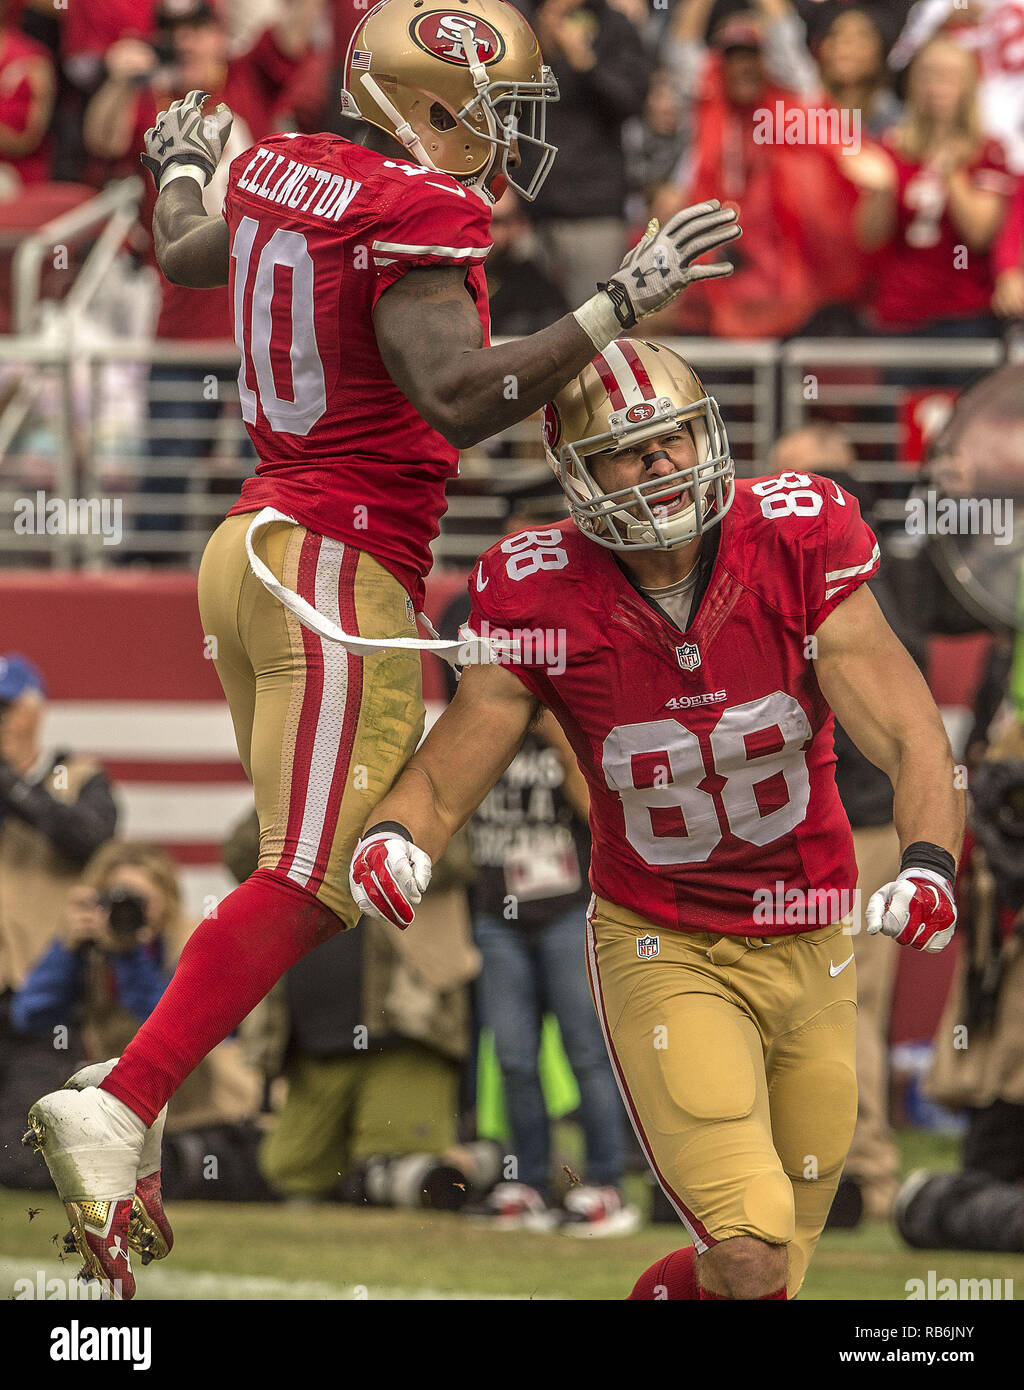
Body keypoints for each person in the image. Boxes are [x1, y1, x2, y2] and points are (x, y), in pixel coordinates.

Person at [22, 0, 743, 1300]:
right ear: (434, 98)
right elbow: (459, 396)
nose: (508, 140)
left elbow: (188, 248)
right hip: (337, 565)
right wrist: (616, 302)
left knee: (292, 874)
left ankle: (124, 1149)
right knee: (314, 876)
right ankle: (122, 1100)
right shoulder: (419, 207)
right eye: (500, 109)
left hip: (250, 550)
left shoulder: (287, 161)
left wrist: (182, 159)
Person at [349, 337, 964, 1300]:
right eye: (632, 451)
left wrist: (927, 859)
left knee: (769, 1271)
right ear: (578, 474)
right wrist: (397, 837)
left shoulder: (797, 534)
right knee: (753, 1248)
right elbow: (457, 756)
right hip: (665, 941)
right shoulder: (536, 583)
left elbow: (913, 731)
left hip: (815, 932)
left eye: (674, 438)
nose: (663, 465)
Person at [848, 34, 1015, 337]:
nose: (936, 84)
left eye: (949, 74)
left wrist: (949, 169)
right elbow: (868, 238)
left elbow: (979, 234)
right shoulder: (891, 147)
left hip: (967, 313)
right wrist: (883, 190)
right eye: (928, 73)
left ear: (969, 84)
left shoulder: (988, 150)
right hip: (901, 310)